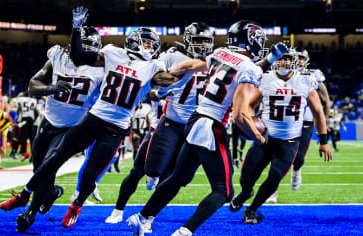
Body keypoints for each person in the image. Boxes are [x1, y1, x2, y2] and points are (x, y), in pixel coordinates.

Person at [0, 6, 187, 232]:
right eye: (146, 42)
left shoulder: (153, 66)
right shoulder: (112, 53)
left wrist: (190, 64)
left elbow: (170, 80)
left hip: (116, 129)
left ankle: (76, 205)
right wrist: (76, 28)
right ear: (134, 41)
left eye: (152, 44)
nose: (150, 47)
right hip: (94, 119)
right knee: (55, 159)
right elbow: (78, 56)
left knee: (89, 175)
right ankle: (25, 195)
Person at [127, 20, 287, 236]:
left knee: (178, 178)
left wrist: (171, 77)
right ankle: (185, 231)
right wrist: (258, 137)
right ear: (250, 41)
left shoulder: (220, 53)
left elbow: (187, 66)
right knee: (224, 191)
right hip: (212, 125)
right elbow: (240, 115)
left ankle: (142, 217)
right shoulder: (249, 69)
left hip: (195, 119)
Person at [0, 23, 105, 233]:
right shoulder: (58, 57)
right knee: (40, 170)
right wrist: (51, 88)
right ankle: (52, 192)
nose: (83, 50)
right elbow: (32, 85)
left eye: (88, 46)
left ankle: (30, 213)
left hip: (71, 128)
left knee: (48, 166)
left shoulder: (101, 70)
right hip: (47, 123)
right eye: (81, 45)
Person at [229, 48, 333, 224]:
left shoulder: (306, 81)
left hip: (289, 142)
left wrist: (323, 141)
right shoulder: (266, 78)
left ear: (294, 61)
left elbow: (318, 113)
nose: (283, 62)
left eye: (287, 59)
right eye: (280, 59)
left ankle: (252, 209)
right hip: (265, 138)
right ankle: (246, 192)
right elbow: (249, 105)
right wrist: (253, 123)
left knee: (274, 177)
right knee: (246, 175)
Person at [143, 22, 213, 191]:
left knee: (180, 176)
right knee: (153, 168)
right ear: (188, 39)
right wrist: (159, 91)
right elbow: (150, 81)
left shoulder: (215, 61)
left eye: (206, 41)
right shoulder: (172, 56)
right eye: (199, 40)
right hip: (172, 119)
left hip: (197, 125)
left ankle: (153, 209)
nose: (203, 45)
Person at [104, 90, 166, 230]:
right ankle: (118, 211)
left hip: (184, 133)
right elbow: (151, 91)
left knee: (170, 179)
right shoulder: (168, 76)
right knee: (136, 171)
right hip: (158, 130)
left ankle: (148, 217)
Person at [288, 46, 331, 191]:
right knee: (279, 157)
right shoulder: (282, 73)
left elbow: (325, 101)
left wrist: (322, 128)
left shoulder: (313, 74)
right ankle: (272, 189)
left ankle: (296, 171)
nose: (299, 60)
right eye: (297, 57)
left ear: (306, 60)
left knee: (299, 157)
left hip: (305, 121)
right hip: (286, 120)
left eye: (301, 57)